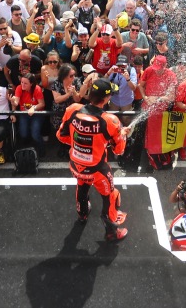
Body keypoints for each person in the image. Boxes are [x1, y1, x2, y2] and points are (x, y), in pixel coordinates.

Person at [56, 78, 130, 241]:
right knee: (111, 196)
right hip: (97, 171)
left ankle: (82, 214)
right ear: (106, 99)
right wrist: (123, 134)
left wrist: (79, 145)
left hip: (76, 166)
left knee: (82, 185)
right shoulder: (110, 120)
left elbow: (61, 136)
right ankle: (112, 232)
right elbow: (119, 150)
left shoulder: (73, 109)